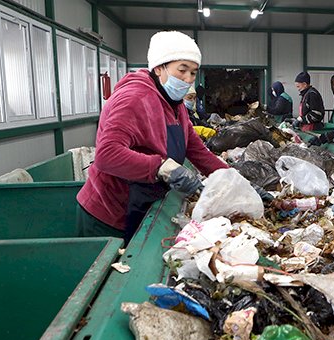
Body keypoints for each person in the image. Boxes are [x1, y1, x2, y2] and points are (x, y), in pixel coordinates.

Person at [76, 31, 229, 244]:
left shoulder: (175, 105)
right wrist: (163, 167)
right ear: (159, 68)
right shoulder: (135, 98)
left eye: (193, 72)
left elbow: (197, 151)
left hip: (139, 204)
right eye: (182, 70)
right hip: (108, 217)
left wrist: (234, 180)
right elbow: (106, 154)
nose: (188, 79)